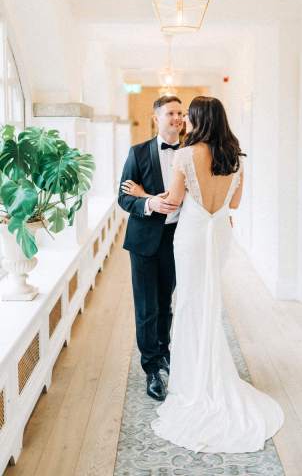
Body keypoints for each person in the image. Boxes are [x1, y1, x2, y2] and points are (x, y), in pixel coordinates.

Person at [122, 95, 284, 453]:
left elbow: (175, 200)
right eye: (176, 115)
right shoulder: (236, 158)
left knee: (192, 302)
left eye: (187, 116)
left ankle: (193, 379)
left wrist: (143, 194)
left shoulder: (186, 154)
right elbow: (235, 204)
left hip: (193, 235)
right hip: (219, 234)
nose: (183, 122)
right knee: (208, 301)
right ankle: (200, 368)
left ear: (198, 120)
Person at [118, 95, 183, 402]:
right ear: (157, 118)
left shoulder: (190, 153)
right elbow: (124, 198)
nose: (177, 117)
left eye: (180, 112)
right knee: (147, 308)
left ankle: (165, 351)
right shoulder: (138, 152)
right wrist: (148, 201)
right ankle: (152, 369)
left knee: (165, 303)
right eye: (170, 113)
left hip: (177, 239)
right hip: (144, 241)